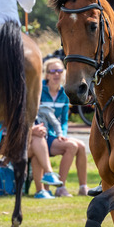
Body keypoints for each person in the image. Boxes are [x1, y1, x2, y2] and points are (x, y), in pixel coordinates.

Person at [34, 57, 89, 196]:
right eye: (52, 71)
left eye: (59, 71)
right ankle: (60, 187)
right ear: (46, 74)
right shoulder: (39, 90)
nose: (56, 74)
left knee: (81, 146)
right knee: (72, 146)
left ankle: (83, 187)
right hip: (41, 135)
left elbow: (64, 120)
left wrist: (62, 134)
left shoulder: (64, 94)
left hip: (55, 135)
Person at [0, 121, 62, 198]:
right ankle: (45, 181)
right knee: (37, 142)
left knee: (37, 144)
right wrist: (30, 131)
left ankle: (42, 188)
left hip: (18, 142)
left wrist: (34, 130)